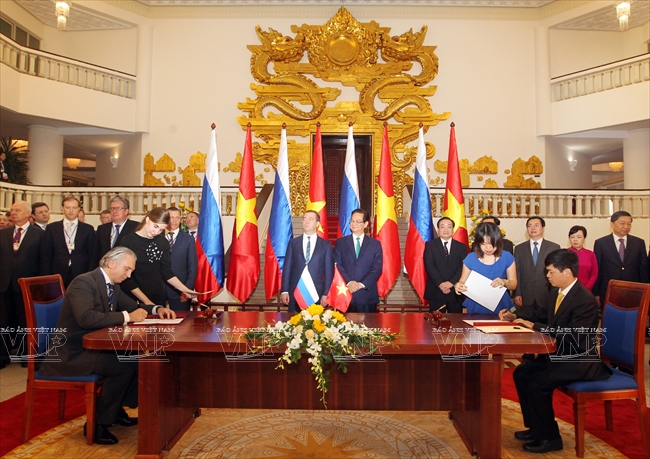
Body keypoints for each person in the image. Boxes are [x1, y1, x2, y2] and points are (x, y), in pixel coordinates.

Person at [38, 247, 177, 445]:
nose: (129, 275)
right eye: (127, 269)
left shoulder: (112, 286)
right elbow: (86, 318)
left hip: (93, 347)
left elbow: (133, 306)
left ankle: (116, 410)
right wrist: (127, 317)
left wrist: (157, 308)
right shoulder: (83, 283)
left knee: (138, 359)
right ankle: (97, 424)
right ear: (112, 263)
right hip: (71, 352)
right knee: (123, 365)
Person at [500, 249, 611, 454]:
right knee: (522, 372)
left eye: (551, 271)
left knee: (538, 382)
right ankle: (536, 428)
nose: (547, 275)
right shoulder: (556, 292)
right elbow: (541, 314)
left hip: (579, 359)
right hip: (560, 354)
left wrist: (535, 326)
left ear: (567, 272)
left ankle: (551, 438)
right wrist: (515, 316)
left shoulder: (584, 299)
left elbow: (573, 336)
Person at [120, 207, 198, 306]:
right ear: (147, 219)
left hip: (156, 296)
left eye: (161, 229)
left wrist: (185, 290)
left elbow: (166, 272)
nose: (156, 232)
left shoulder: (162, 242)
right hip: (133, 297)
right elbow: (126, 279)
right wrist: (146, 301)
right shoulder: (127, 241)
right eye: (155, 226)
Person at [0, 201, 44, 369]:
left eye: (17, 210)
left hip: (27, 285)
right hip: (4, 284)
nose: (13, 212)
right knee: (3, 321)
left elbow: (42, 260)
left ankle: (27, 354)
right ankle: (3, 355)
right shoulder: (4, 233)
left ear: (27, 214)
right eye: (12, 210)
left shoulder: (39, 234)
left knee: (26, 321)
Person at [454, 222, 517, 314]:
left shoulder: (507, 257)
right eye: (483, 244)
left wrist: (505, 282)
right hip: (476, 304)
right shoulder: (470, 258)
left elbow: (513, 284)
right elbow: (462, 281)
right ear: (478, 243)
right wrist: (459, 286)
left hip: (500, 305)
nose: (488, 248)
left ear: (498, 241)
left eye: (492, 244)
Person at [281, 210, 333, 312]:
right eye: (304, 219)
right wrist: (284, 290)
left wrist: (326, 293)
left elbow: (328, 272)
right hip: (295, 293)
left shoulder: (326, 245)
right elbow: (287, 268)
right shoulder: (293, 243)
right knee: (294, 321)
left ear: (317, 224)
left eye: (310, 219)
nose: (306, 222)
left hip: (316, 293)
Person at [333, 209, 382, 313]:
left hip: (366, 295)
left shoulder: (375, 244)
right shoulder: (341, 243)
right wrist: (349, 282)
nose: (354, 223)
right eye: (352, 220)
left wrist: (361, 284)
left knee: (368, 323)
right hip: (345, 293)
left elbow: (377, 268)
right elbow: (337, 264)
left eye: (358, 221)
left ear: (366, 224)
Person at [593, 211, 649, 302]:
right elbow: (597, 269)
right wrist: (596, 293)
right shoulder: (601, 243)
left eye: (629, 224)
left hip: (633, 291)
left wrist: (646, 290)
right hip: (608, 291)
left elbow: (643, 269)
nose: (626, 227)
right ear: (612, 224)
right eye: (622, 223)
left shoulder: (639, 243)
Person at [41, 196, 96, 287]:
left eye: (74, 208)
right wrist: (46, 276)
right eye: (68, 207)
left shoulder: (88, 229)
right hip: (57, 272)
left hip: (81, 272)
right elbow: (46, 254)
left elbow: (91, 254)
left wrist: (90, 275)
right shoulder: (52, 228)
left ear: (78, 209)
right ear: (62, 208)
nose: (71, 211)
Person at [514, 216, 560, 310]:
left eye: (536, 225)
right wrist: (517, 293)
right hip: (525, 295)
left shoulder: (553, 247)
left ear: (543, 228)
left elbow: (557, 272)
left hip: (546, 294)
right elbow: (517, 272)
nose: (533, 228)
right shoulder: (519, 249)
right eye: (530, 226)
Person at [423, 217, 466, 313]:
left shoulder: (461, 247)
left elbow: (463, 266)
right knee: (435, 320)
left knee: (456, 320)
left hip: (455, 290)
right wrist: (441, 284)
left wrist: (451, 283)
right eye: (442, 227)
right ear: (438, 230)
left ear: (453, 229)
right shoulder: (430, 245)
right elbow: (429, 265)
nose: (446, 229)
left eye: (449, 227)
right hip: (436, 289)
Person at [164, 207, 198, 311]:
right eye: (171, 217)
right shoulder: (157, 237)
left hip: (180, 290)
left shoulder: (188, 239)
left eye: (177, 218)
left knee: (182, 320)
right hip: (159, 290)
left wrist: (187, 290)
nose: (174, 221)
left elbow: (192, 266)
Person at [92, 197, 138, 267]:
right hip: (105, 269)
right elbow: (95, 253)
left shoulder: (136, 228)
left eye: (118, 208)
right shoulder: (102, 229)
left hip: (125, 269)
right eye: (112, 208)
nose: (114, 211)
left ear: (126, 211)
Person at [567, 225, 598, 292]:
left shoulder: (590, 254)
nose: (575, 240)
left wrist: (586, 289)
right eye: (572, 237)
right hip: (567, 289)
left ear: (584, 238)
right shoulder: (564, 253)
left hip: (586, 290)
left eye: (579, 237)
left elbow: (594, 274)